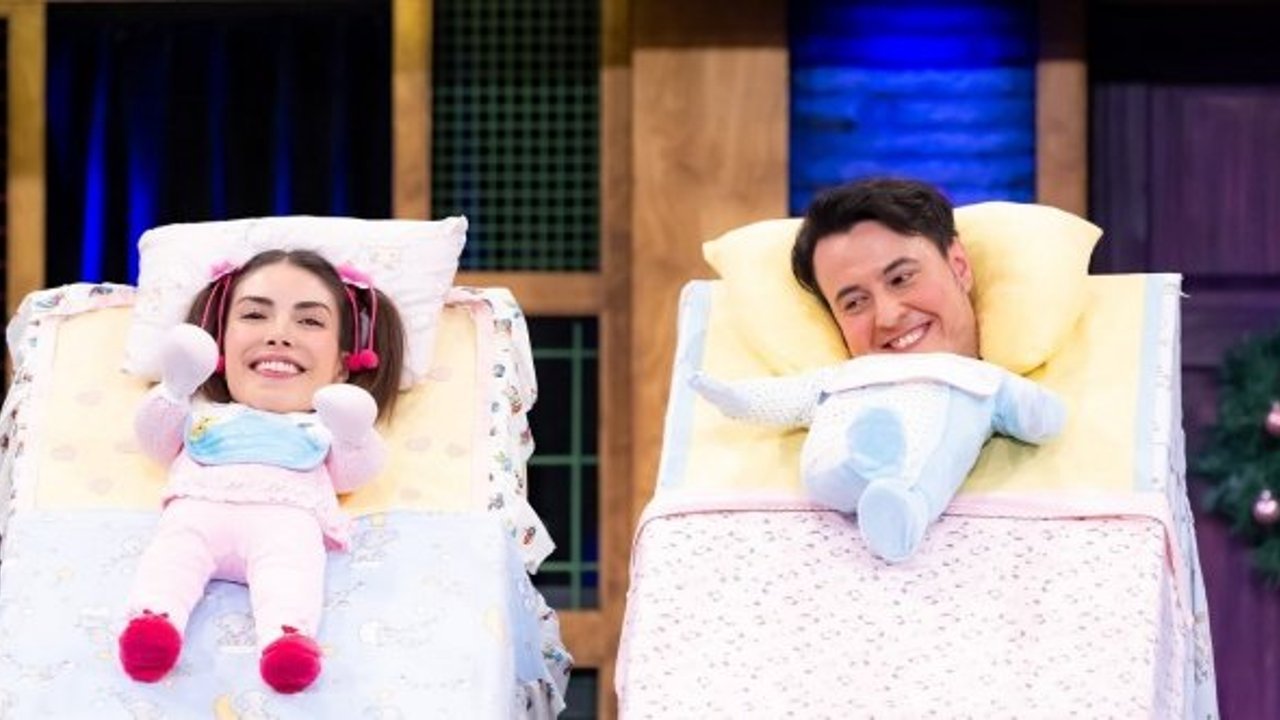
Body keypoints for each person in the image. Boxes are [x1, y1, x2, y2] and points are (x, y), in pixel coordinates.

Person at [692, 178, 1065, 562]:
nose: (888, 316)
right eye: (854, 303)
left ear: (959, 266)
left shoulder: (1003, 390)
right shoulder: (834, 393)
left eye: (901, 279)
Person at [116, 248, 406, 693]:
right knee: (171, 555)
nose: (279, 335)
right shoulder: (200, 414)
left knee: (292, 573)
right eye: (254, 315)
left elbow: (354, 472)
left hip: (285, 526)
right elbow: (155, 441)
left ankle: (286, 642)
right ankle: (153, 625)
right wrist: (175, 387)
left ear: (342, 363)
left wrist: (353, 429)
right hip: (196, 515)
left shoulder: (321, 430)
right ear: (219, 344)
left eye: (309, 321)